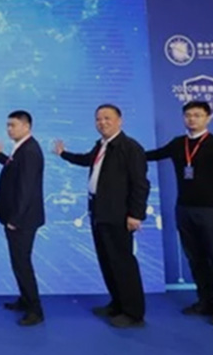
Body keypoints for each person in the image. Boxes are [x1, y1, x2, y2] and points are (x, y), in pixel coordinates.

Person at [54, 104, 149, 328]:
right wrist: (63, 154)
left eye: (107, 118)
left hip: (119, 215)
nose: (102, 122)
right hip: (99, 211)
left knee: (123, 263)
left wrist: (136, 214)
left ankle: (133, 313)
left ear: (119, 121)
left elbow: (140, 184)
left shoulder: (130, 147)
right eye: (98, 119)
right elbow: (87, 160)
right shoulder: (101, 145)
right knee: (108, 261)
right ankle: (117, 304)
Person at [145, 101, 213, 326]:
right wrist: (124, 149)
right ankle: (206, 301)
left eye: (197, 115)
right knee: (195, 259)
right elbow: (154, 154)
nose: (192, 119)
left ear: (208, 118)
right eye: (188, 115)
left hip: (211, 211)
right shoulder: (179, 144)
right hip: (184, 209)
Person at [0, 111, 45, 326]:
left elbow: (26, 188)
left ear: (26, 126)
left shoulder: (30, 150)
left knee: (22, 263)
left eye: (13, 125)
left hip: (22, 220)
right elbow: (16, 169)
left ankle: (35, 310)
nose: (9, 129)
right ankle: (25, 299)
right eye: (8, 125)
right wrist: (0, 157)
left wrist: (15, 218)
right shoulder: (22, 148)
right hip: (18, 217)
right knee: (18, 262)